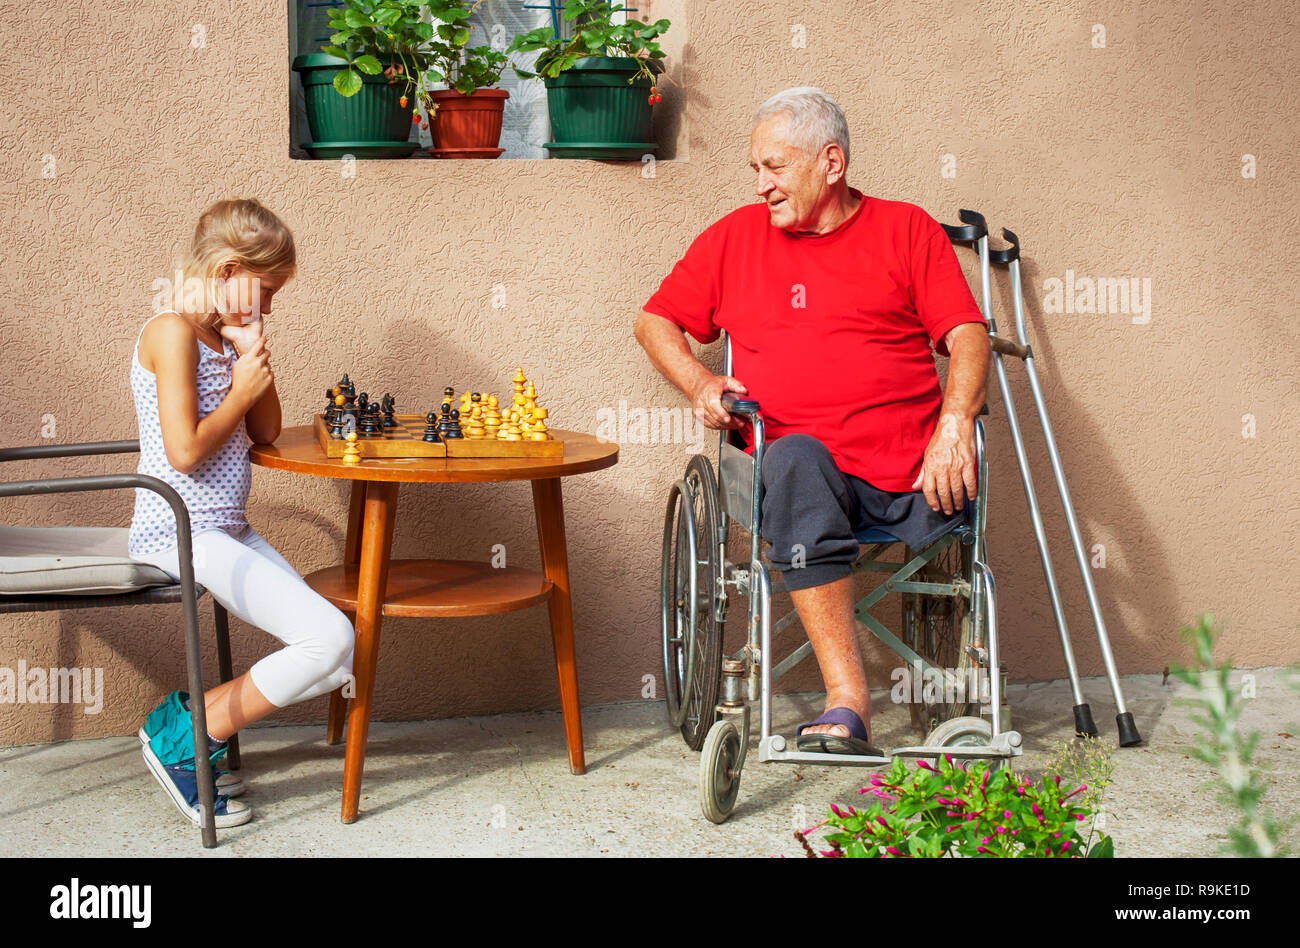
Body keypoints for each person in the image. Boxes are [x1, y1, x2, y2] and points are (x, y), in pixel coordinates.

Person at [635, 88, 990, 756]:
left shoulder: (907, 230)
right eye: (755, 171)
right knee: (798, 459)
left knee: (853, 465)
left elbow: (967, 336)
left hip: (908, 479)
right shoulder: (734, 239)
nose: (762, 186)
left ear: (831, 163)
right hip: (793, 478)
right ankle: (848, 702)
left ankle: (947, 702)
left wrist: (954, 422)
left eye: (774, 167)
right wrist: (700, 380)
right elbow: (653, 321)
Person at [128, 198, 355, 827]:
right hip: (176, 530)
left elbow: (267, 431)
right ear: (228, 271)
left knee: (344, 655)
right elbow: (186, 451)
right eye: (269, 291)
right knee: (330, 637)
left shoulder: (221, 340)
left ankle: (188, 720)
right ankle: (191, 734)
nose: (274, 305)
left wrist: (254, 359)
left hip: (226, 529)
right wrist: (240, 390)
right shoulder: (171, 332)